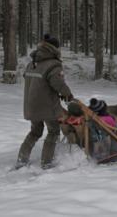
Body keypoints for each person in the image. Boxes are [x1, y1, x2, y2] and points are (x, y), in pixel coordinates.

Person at [15, 34, 73, 170]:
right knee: (53, 131)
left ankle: (22, 160)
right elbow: (58, 83)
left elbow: (33, 80)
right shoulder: (53, 65)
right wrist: (67, 94)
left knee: (35, 132)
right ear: (55, 48)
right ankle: (46, 163)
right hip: (47, 107)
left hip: (31, 105)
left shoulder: (32, 63)